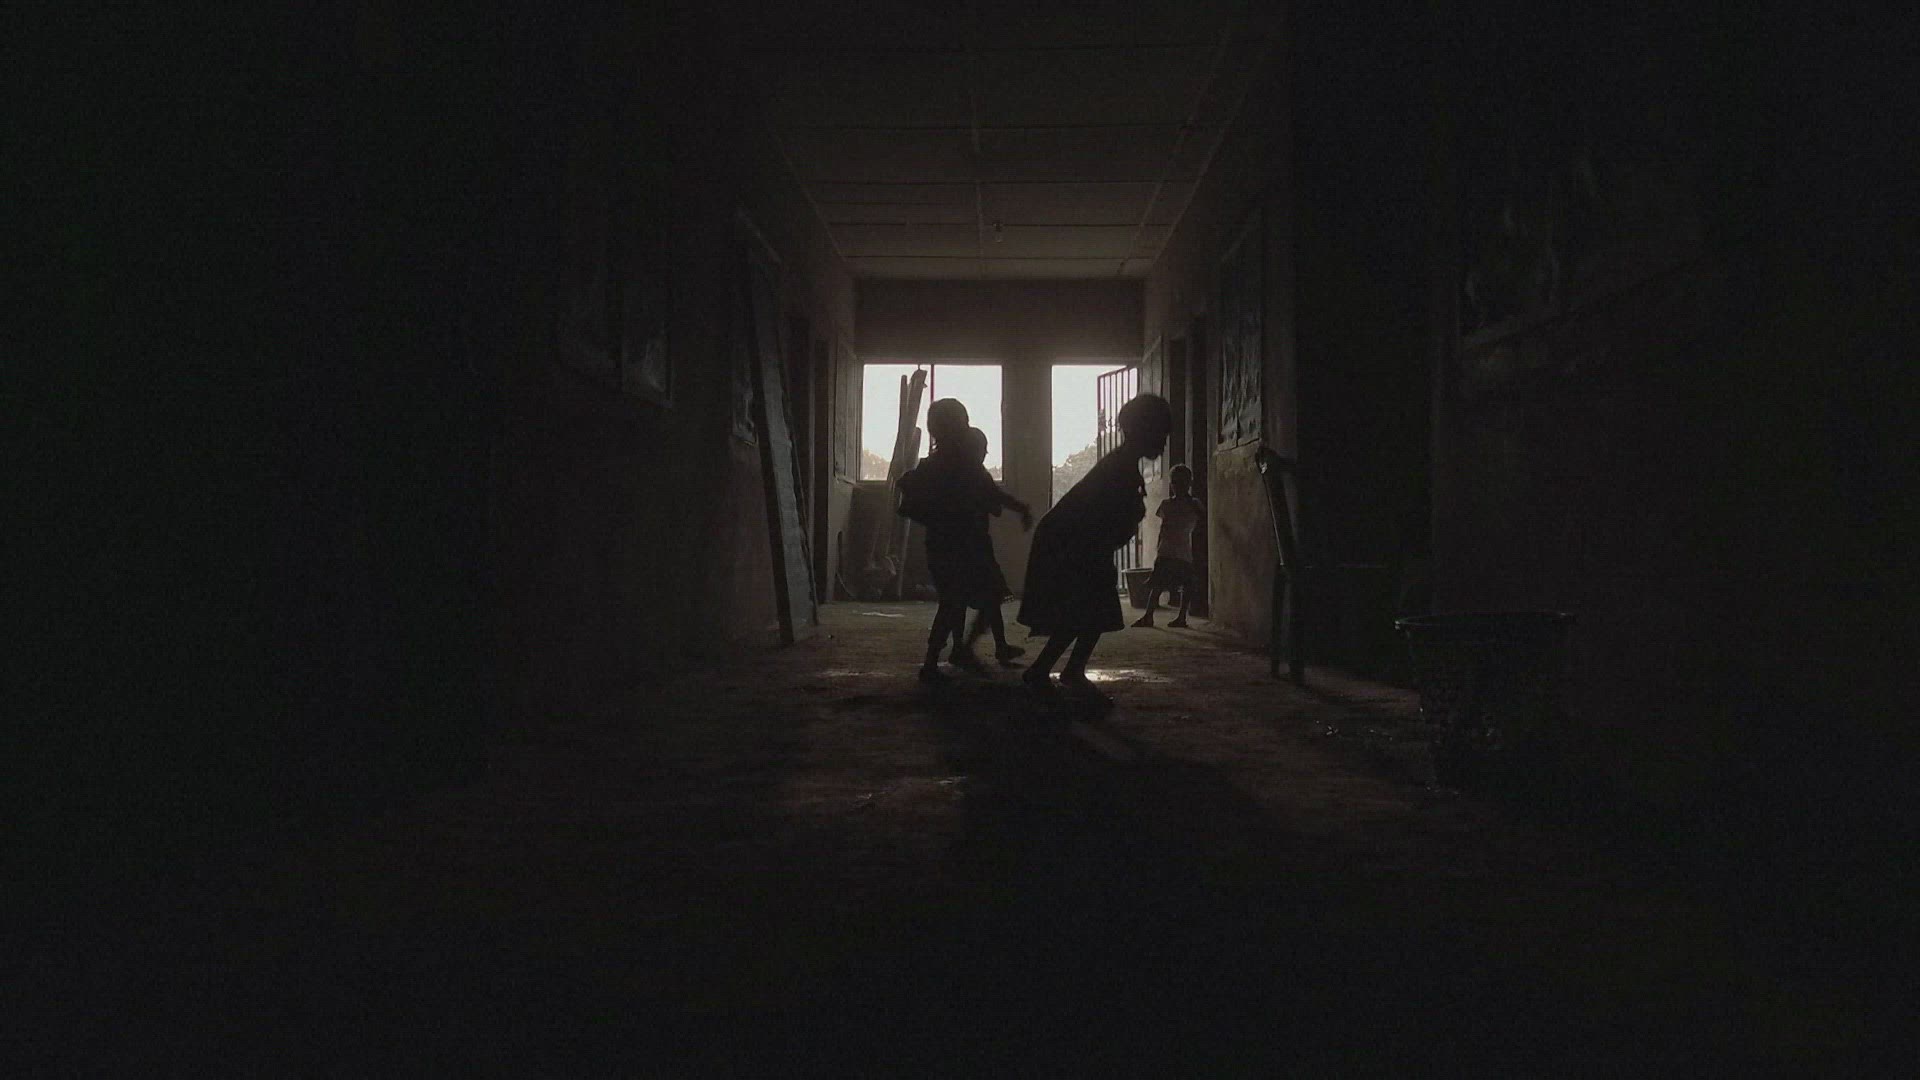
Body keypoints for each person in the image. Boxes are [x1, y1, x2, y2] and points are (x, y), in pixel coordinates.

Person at [1017, 394, 1173, 701]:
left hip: (1077, 542)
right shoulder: (1120, 469)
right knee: (1088, 609)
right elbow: (1106, 517)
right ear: (1143, 431)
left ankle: (1058, 670)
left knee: (1090, 611)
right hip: (1071, 543)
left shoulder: (1124, 465)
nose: (1164, 443)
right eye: (1161, 434)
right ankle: (1055, 670)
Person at [895, 398, 989, 684]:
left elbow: (906, 486)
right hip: (957, 541)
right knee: (957, 602)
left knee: (954, 601)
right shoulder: (953, 463)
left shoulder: (939, 462)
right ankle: (934, 661)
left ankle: (957, 650)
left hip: (943, 541)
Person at [945, 426, 1032, 669]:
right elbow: (996, 498)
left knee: (968, 599)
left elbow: (992, 499)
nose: (985, 453)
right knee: (989, 597)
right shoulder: (974, 473)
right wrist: (1021, 509)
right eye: (982, 449)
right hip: (973, 546)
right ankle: (968, 648)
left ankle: (970, 647)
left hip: (962, 544)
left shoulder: (959, 472)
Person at [1133, 463, 1204, 628]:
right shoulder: (1194, 505)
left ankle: (1149, 616)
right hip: (1183, 551)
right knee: (1185, 584)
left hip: (1167, 550)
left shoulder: (1167, 505)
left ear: (1172, 485)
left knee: (1158, 585)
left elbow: (1163, 529)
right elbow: (1201, 523)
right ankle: (1181, 617)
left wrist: (1158, 548)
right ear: (1190, 483)